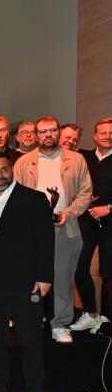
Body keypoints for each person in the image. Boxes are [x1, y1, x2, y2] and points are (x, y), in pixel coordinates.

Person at [0, 152, 53, 392]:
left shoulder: (34, 199)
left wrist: (45, 277)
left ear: (12, 170)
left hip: (26, 284)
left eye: (4, 170)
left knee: (30, 342)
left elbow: (46, 241)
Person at [14, 116, 92, 344]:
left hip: (65, 227)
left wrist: (68, 213)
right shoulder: (23, 162)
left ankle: (59, 324)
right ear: (36, 135)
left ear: (58, 132)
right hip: (31, 229)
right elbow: (15, 195)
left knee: (63, 278)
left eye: (52, 130)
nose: (48, 135)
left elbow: (85, 193)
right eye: (42, 131)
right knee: (28, 275)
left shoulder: (76, 160)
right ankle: (32, 319)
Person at [73, 117, 112, 333]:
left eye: (111, 133)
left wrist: (108, 208)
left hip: (109, 221)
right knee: (79, 268)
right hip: (85, 221)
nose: (108, 136)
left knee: (108, 272)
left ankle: (106, 322)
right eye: (103, 133)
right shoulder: (83, 158)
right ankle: (91, 314)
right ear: (95, 136)